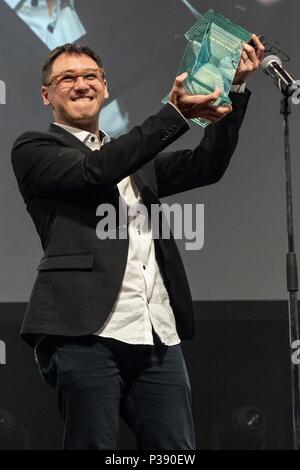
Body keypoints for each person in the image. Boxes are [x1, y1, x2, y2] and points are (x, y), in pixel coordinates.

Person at [11, 37, 264, 450]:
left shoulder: (132, 157)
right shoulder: (35, 148)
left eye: (90, 75)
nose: (81, 84)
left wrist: (232, 89)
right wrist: (175, 113)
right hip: (83, 332)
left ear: (106, 86)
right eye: (67, 78)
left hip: (156, 333)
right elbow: (94, 171)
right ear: (46, 95)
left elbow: (207, 165)